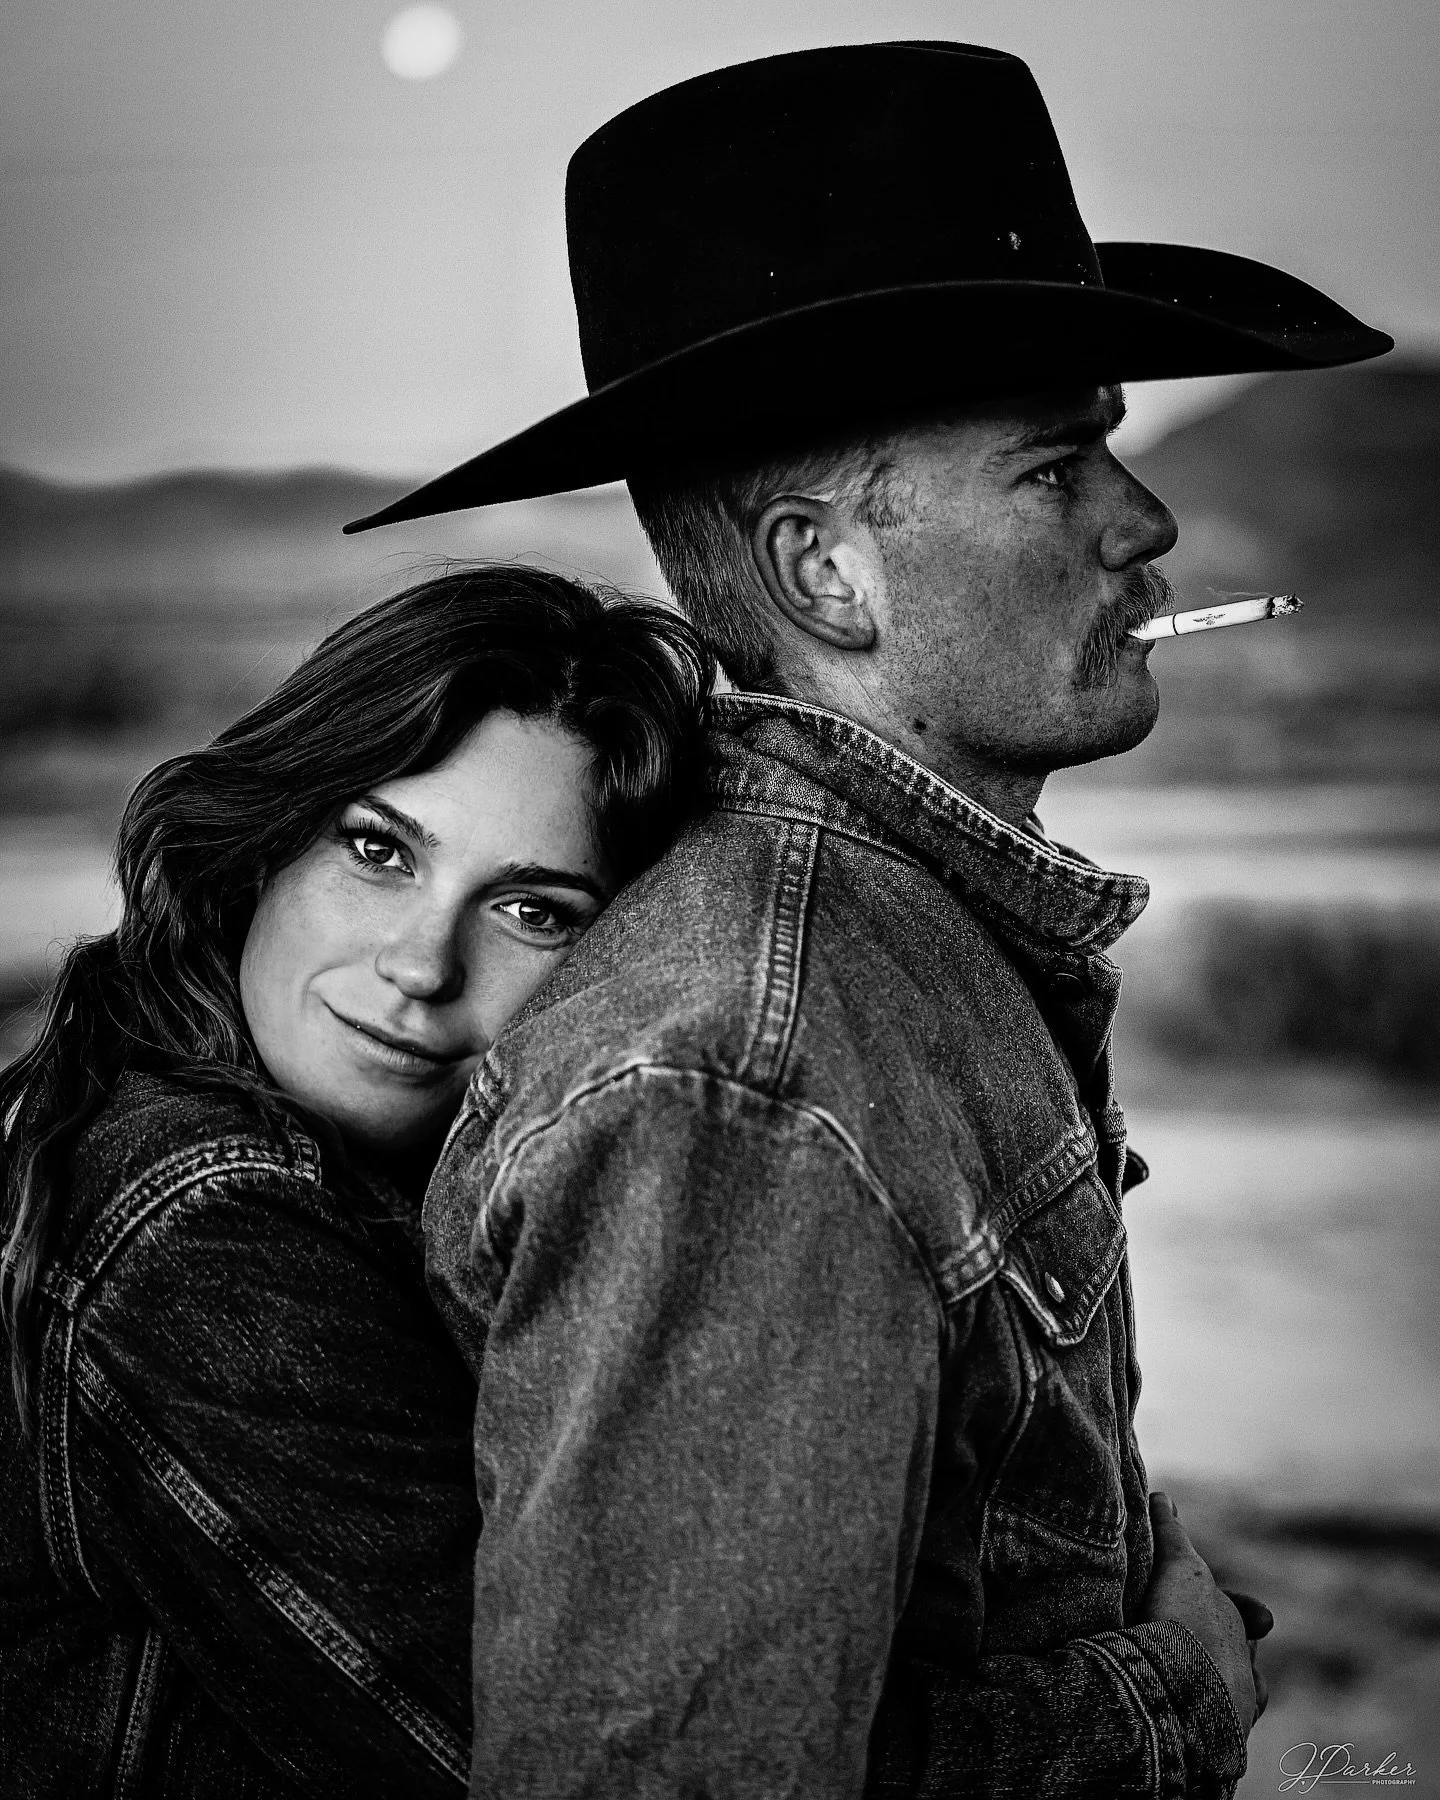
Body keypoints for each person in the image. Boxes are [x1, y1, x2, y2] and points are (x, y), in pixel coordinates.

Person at [351, 41, 1391, 1800]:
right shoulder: (743, 1094)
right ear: (823, 571)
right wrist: (1169, 1707)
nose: (1146, 521)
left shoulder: (881, 973)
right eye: (1058, 468)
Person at [0, 567, 712, 1798]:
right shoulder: (198, 1221)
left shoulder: (385, 1188)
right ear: (267, 839)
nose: (423, 965)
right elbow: (581, 1760)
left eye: (534, 911)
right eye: (380, 850)